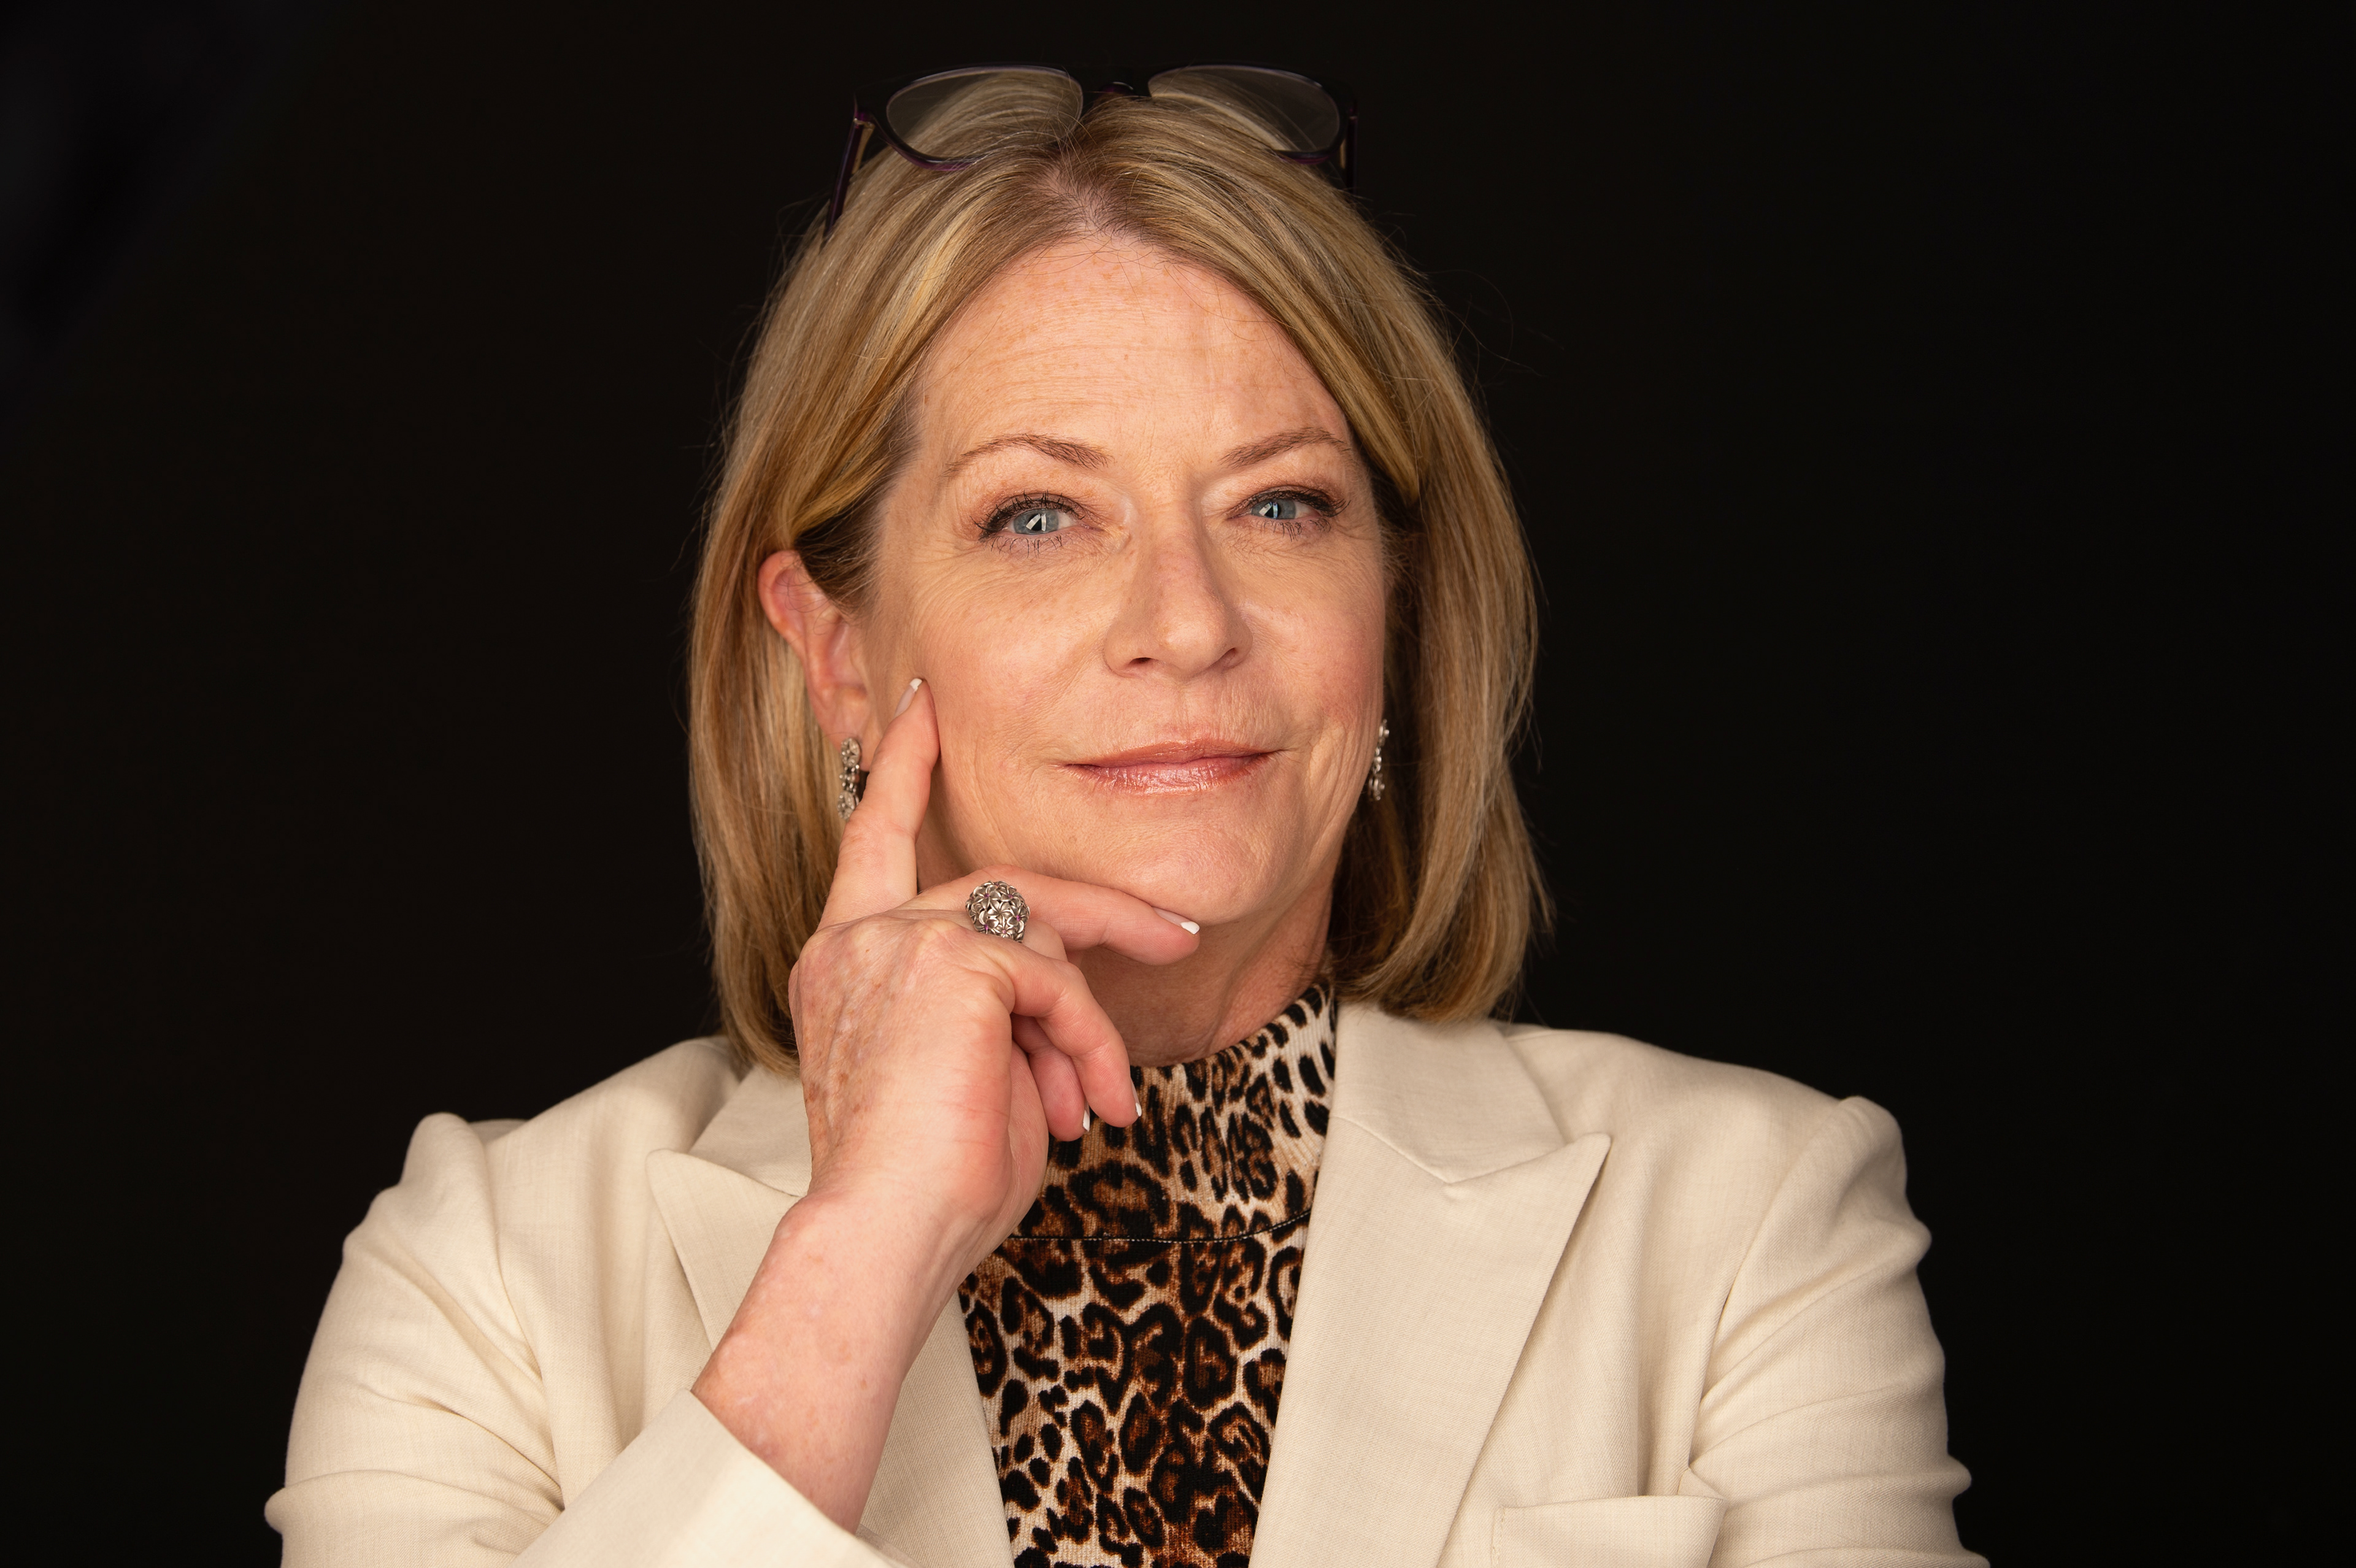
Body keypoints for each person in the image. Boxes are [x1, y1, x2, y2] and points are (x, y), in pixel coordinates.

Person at [269, 66, 1980, 1568]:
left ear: (1394, 612)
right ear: (838, 650)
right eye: (1038, 517)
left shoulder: (1753, 1223)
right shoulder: (485, 1275)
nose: (1187, 620)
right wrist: (855, 1260)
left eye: (1281, 504)